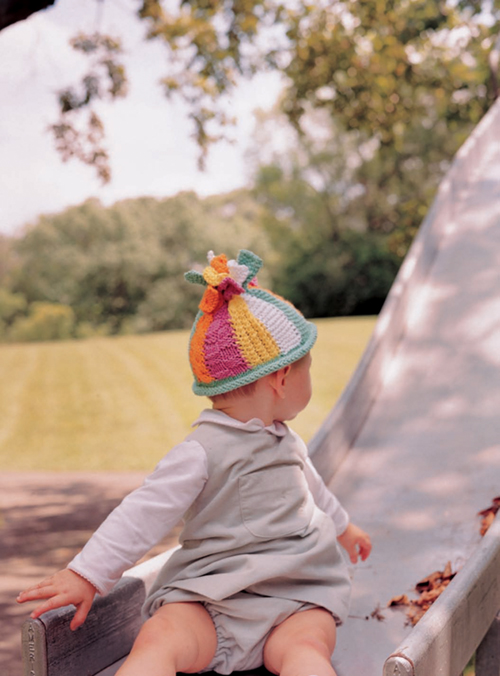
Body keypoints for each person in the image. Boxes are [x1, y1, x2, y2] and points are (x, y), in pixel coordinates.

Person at [18, 249, 371, 676]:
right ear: (281, 379)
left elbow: (314, 493)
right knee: (165, 638)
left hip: (285, 600)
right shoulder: (202, 451)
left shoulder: (285, 442)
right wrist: (88, 573)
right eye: (307, 368)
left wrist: (344, 527)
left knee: (299, 645)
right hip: (223, 602)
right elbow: (144, 513)